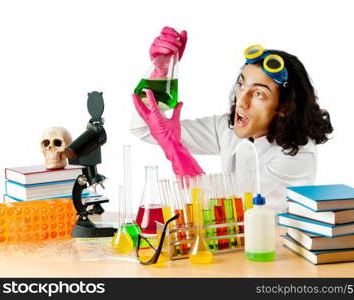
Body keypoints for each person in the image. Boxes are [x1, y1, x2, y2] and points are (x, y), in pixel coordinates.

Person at [131, 27, 333, 212]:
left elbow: (224, 210)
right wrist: (161, 72)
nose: (241, 102)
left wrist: (174, 147)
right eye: (241, 85)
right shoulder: (228, 129)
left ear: (283, 107)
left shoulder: (298, 155)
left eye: (258, 94)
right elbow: (143, 128)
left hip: (274, 248)